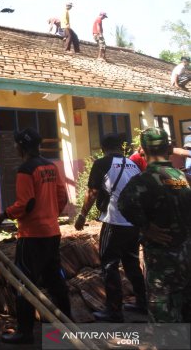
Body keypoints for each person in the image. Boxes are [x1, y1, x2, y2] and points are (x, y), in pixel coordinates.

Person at [0, 128, 71, 344]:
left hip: (32, 234)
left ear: (21, 146)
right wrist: (52, 213)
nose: (15, 147)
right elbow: (62, 195)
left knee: (23, 283)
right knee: (55, 280)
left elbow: (26, 203)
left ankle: (24, 332)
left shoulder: (26, 169)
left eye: (16, 144)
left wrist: (3, 215)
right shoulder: (50, 166)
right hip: (52, 232)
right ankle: (68, 324)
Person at [118, 127, 191, 323]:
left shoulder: (145, 180)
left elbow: (124, 203)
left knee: (164, 316)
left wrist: (146, 227)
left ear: (142, 149)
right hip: (186, 256)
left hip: (162, 262)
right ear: (168, 147)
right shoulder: (180, 177)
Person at [74, 134, 146, 322]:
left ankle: (114, 311)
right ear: (119, 147)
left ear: (103, 148)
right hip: (133, 224)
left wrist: (82, 215)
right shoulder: (133, 165)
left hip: (114, 222)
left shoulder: (102, 164)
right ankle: (143, 303)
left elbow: (92, 192)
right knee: (132, 263)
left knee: (109, 264)